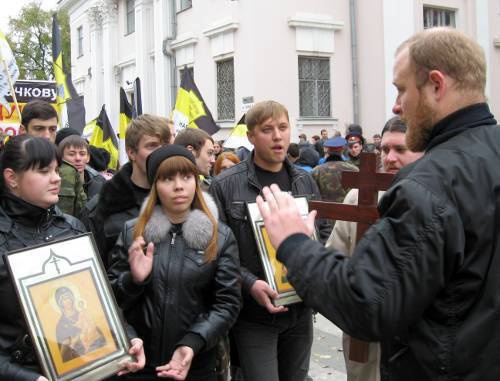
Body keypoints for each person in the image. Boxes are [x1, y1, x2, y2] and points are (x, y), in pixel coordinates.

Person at [255, 28, 500, 380]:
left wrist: (294, 244)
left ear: (436, 85)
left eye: (401, 89)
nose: (396, 106)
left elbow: (367, 303)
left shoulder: (428, 185)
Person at [0, 135, 145, 381]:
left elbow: (98, 301)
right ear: (12, 178)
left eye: (56, 170)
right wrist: (23, 377)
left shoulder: (72, 227)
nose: (57, 178)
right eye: (44, 171)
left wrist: (126, 338)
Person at [209, 100, 329, 381]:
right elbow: (217, 250)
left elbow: (321, 230)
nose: (277, 136)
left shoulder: (305, 181)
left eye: (283, 128)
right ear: (251, 137)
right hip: (254, 315)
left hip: (300, 311)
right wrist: (249, 283)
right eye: (267, 129)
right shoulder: (225, 185)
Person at [108, 145, 241, 381]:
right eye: (168, 178)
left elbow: (227, 303)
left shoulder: (219, 236)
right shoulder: (132, 232)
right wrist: (133, 281)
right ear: (155, 186)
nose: (179, 186)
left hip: (196, 363)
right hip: (138, 362)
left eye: (187, 177)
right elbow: (109, 302)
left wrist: (193, 342)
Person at [325, 117, 422, 381]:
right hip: (365, 336)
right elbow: (335, 258)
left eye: (400, 150)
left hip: (418, 337)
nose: (390, 158)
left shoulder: (435, 197)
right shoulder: (359, 197)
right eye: (384, 150)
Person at [84, 114, 171, 266]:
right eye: (152, 146)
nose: (161, 153)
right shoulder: (100, 208)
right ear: (131, 152)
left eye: (166, 145)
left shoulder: (182, 198)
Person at [58, 135, 106, 199]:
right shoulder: (55, 182)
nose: (78, 158)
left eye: (82, 154)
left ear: (88, 157)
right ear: (61, 157)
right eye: (71, 154)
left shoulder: (99, 182)